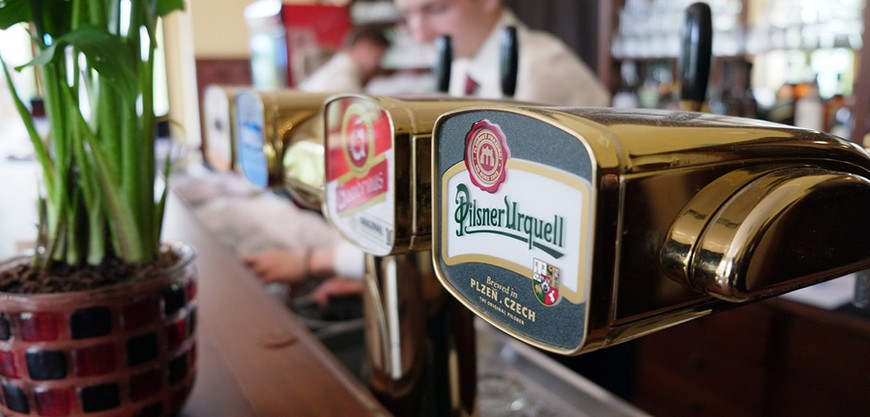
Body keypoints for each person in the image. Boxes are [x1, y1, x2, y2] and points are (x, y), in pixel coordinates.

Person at [395, 0, 610, 106]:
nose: (419, 35)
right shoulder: (463, 65)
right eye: (408, 16)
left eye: (436, 10)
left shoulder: (537, 72)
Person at [297, 26, 391, 93]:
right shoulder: (344, 76)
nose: (378, 65)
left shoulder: (339, 66)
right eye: (379, 57)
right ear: (366, 47)